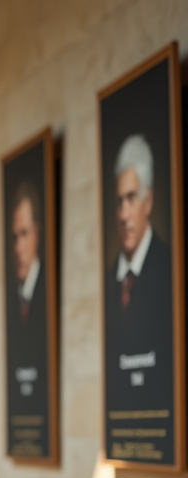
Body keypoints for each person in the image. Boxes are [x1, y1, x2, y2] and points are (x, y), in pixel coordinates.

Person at [105, 133, 173, 418]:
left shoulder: (168, 268)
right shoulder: (110, 282)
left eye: (131, 198)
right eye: (119, 201)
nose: (123, 214)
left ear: (148, 200)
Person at [5, 181, 49, 453]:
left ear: (38, 233)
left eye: (25, 234)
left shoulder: (46, 289)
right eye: (14, 237)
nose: (18, 247)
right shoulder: (13, 296)